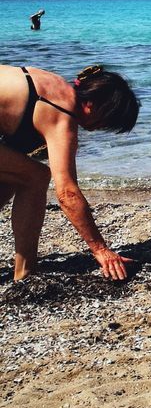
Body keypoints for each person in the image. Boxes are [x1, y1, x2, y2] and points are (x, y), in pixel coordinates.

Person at [1, 63, 140, 280]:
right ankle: (24, 274)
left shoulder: (52, 83)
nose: (100, 128)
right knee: (35, 177)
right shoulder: (61, 114)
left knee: (14, 174)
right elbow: (67, 194)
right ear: (94, 104)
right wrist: (100, 249)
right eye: (107, 120)